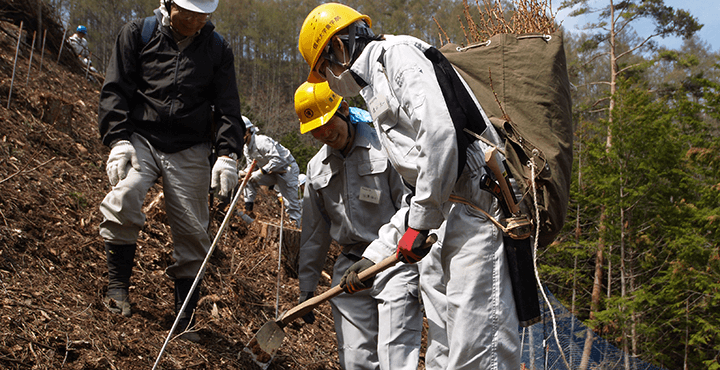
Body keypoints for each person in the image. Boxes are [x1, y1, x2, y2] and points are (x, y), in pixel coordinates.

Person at [298, 3, 521, 369]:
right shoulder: (375, 84)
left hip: (474, 206)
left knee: (479, 344)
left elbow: (440, 135)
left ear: (338, 48)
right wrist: (375, 254)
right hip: (441, 217)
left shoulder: (398, 56)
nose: (332, 79)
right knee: (442, 349)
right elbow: (416, 189)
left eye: (325, 69)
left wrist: (420, 223)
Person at [97, 0, 244, 343]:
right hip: (142, 136)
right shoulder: (138, 34)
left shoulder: (218, 48)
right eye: (187, 11)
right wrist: (118, 139)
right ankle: (117, 288)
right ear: (167, 4)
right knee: (125, 195)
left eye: (202, 14)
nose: (194, 20)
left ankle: (184, 317)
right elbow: (115, 89)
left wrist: (227, 153)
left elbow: (227, 105)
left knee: (194, 229)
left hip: (191, 145)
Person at [294, 81, 422, 370]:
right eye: (315, 129)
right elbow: (314, 234)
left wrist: (376, 255)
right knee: (355, 359)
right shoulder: (317, 169)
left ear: (344, 110)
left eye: (327, 122)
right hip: (349, 270)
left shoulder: (386, 146)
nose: (324, 133)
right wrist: (307, 288)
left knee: (395, 356)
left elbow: (411, 204)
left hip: (395, 261)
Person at [239, 116, 302, 227]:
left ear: (248, 131)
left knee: (290, 203)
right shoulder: (246, 148)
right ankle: (249, 210)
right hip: (271, 173)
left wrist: (261, 172)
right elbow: (251, 167)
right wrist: (242, 173)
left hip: (287, 169)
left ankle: (295, 226)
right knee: (248, 179)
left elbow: (278, 159)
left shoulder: (261, 141)